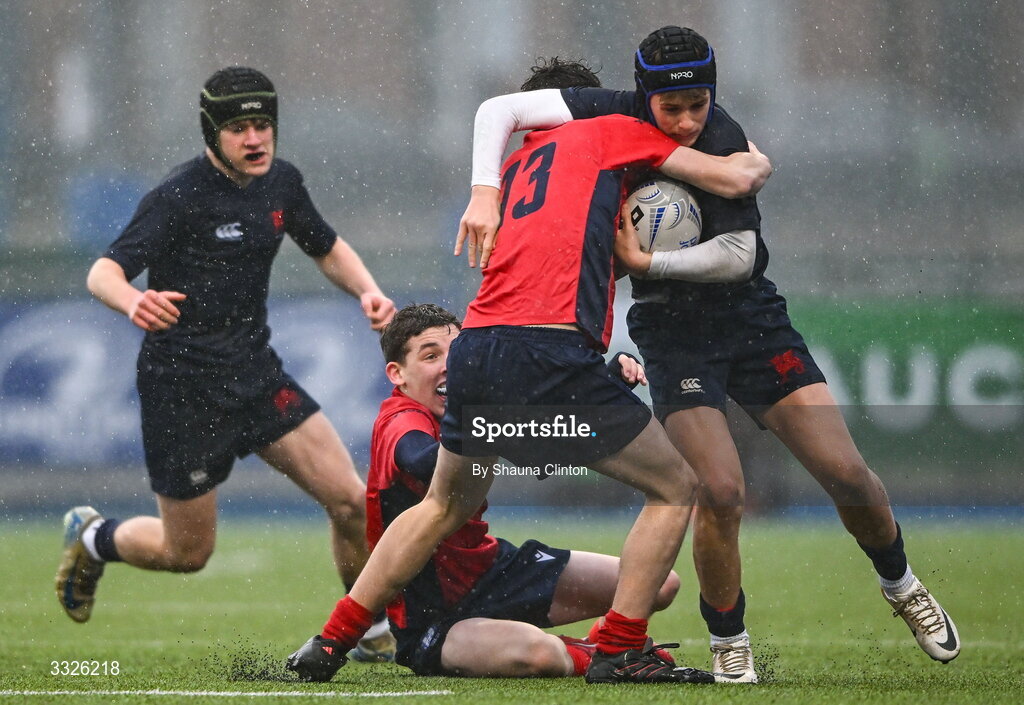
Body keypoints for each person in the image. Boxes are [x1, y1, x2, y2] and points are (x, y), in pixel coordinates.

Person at [460, 26, 961, 682]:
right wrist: (486, 190)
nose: (689, 120)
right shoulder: (609, 117)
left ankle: (901, 585)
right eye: (673, 108)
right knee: (718, 490)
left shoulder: (723, 135)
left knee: (846, 473)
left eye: (700, 103)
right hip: (672, 336)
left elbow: (740, 256)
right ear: (644, 97)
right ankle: (730, 637)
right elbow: (500, 109)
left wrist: (645, 258)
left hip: (752, 324)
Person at [284, 56, 773, 686]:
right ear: (581, 104)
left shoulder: (515, 167)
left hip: (480, 343)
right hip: (546, 350)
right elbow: (735, 179)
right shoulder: (608, 131)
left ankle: (334, 639)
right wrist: (747, 154)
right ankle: (622, 648)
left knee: (441, 505)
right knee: (677, 486)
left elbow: (564, 250)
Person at [56, 66, 397, 660]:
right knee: (186, 555)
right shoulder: (177, 196)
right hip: (182, 388)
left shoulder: (281, 183)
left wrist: (366, 289)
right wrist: (134, 299)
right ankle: (93, 536)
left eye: (263, 124)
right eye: (239, 127)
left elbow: (325, 245)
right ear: (212, 134)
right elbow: (102, 272)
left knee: (350, 499)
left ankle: (365, 630)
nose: (255, 138)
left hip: (255, 373)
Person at [334, 302, 683, 677]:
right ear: (397, 374)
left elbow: (542, 426)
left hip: (493, 569)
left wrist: (605, 386)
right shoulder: (399, 418)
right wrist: (503, 421)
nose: (449, 365)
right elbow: (425, 461)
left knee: (659, 584)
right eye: (431, 355)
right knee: (541, 655)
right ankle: (601, 655)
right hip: (433, 616)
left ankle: (609, 639)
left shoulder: (472, 412)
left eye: (457, 352)